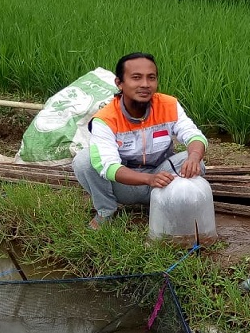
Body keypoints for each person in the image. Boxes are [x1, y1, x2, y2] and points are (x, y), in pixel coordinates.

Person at [73, 53, 209, 229]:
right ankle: (106, 210)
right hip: (126, 185)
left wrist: (194, 157)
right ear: (119, 83)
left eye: (151, 78)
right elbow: (108, 166)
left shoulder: (169, 105)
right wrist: (148, 179)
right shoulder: (105, 119)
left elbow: (193, 135)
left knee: (195, 163)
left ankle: (165, 204)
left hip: (163, 178)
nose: (145, 84)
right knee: (84, 160)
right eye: (136, 78)